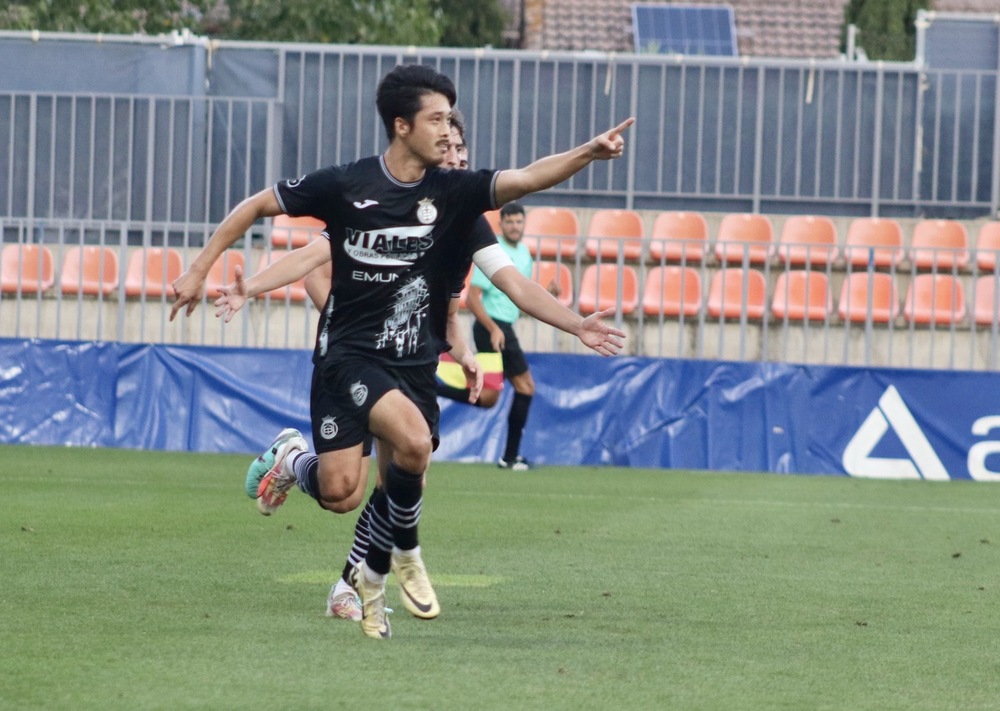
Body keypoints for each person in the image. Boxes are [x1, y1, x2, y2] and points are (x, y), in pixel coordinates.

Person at [172, 63, 633, 640]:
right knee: (414, 447)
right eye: (438, 122)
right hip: (351, 358)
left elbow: (515, 260)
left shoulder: (459, 206)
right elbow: (286, 234)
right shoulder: (348, 186)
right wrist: (215, 275)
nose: (451, 141)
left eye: (455, 131)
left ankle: (328, 529)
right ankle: (396, 563)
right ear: (401, 125)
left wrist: (573, 321)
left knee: (350, 492)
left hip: (415, 365)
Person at [465, 201, 558, 470]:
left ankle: (438, 382)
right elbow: (472, 298)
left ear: (524, 224)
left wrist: (548, 295)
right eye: (509, 222)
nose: (514, 226)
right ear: (501, 224)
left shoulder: (524, 253)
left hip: (503, 327)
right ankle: (510, 457)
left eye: (518, 221)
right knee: (525, 387)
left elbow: (521, 296)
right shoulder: (494, 251)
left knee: (489, 397)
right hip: (492, 327)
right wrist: (493, 329)